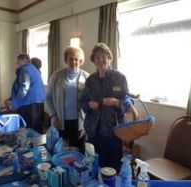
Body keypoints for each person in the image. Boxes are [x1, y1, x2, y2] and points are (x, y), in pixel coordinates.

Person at [81, 43, 130, 172]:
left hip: (113, 131)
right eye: (97, 57)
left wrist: (116, 103)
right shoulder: (90, 80)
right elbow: (83, 102)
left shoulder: (119, 78)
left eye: (103, 56)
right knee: (94, 165)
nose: (100, 60)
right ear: (93, 61)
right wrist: (89, 105)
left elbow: (128, 103)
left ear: (109, 58)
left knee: (112, 168)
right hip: (94, 131)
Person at [45, 46, 89, 153]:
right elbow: (48, 97)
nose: (73, 62)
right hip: (59, 121)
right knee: (60, 151)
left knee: (78, 152)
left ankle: (77, 170)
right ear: (66, 60)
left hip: (79, 123)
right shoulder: (56, 75)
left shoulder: (87, 77)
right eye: (71, 59)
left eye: (76, 59)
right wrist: (53, 116)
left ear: (80, 61)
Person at [10, 53, 45, 133]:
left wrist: (15, 101)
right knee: (37, 130)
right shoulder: (33, 68)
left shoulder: (25, 69)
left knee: (29, 130)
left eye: (18, 61)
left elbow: (24, 88)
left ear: (23, 61)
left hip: (29, 105)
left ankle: (29, 145)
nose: (16, 64)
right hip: (37, 103)